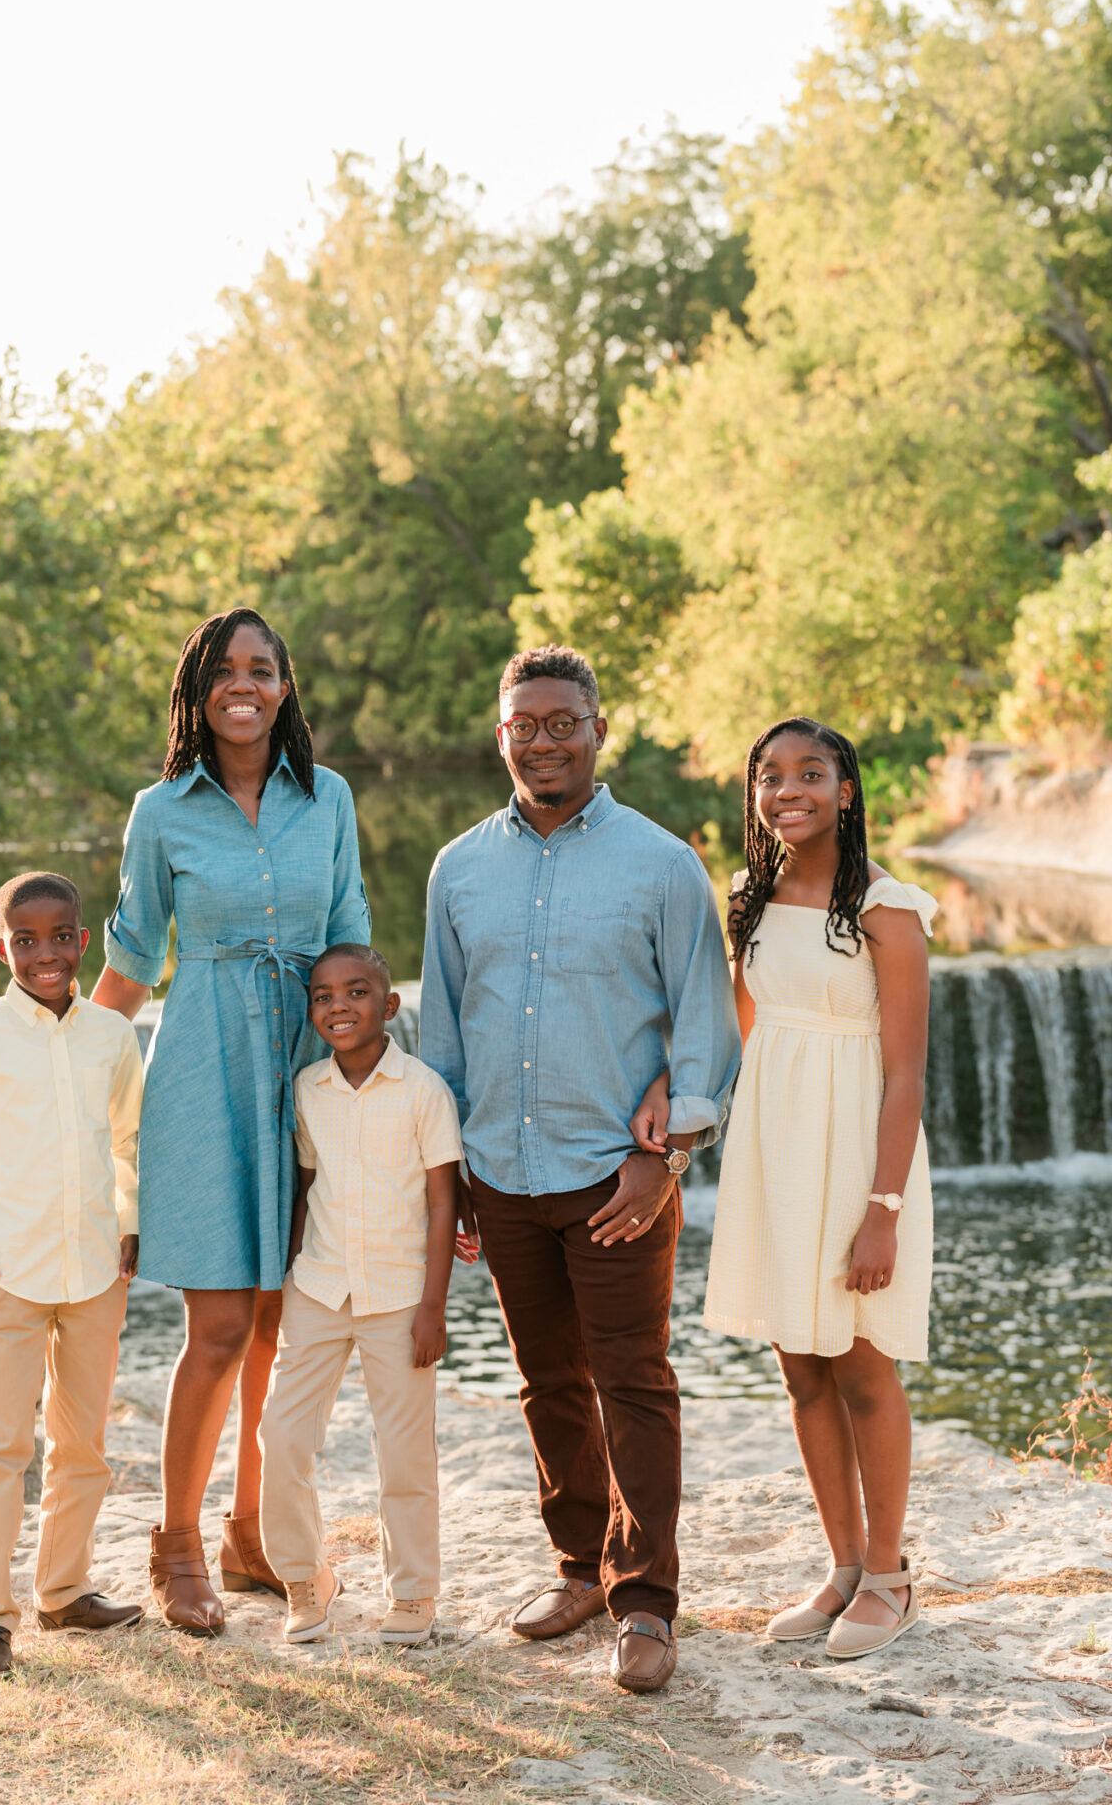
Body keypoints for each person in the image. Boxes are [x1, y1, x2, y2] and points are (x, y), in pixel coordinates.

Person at [417, 645, 741, 1695]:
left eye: (565, 722)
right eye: (526, 724)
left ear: (599, 731)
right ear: (499, 733)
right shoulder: (458, 868)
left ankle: (645, 1600)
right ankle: (578, 1570)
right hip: (502, 1173)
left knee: (634, 1380)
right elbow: (445, 1035)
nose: (544, 740)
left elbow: (701, 1021)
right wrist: (449, 1171)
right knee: (545, 1382)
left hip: (616, 1176)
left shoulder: (659, 863)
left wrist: (670, 1158)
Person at [92, 606, 371, 1635]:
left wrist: (367, 1088)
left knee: (279, 1325)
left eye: (262, 668)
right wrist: (62, 1067)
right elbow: (129, 956)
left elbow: (350, 939)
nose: (242, 684)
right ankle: (174, 1544)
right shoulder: (161, 811)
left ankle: (253, 1536)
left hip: (307, 1068)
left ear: (285, 688)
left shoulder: (327, 799)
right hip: (204, 1074)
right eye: (223, 670)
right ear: (197, 692)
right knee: (215, 1326)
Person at [692, 717, 935, 1660]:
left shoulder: (886, 907)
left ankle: (890, 1577)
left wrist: (883, 1213)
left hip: (857, 1151)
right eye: (770, 776)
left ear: (845, 787)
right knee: (800, 1363)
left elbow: (907, 1073)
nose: (788, 789)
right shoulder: (749, 898)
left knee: (862, 1364)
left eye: (810, 773)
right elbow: (744, 1032)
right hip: (775, 1147)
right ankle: (839, 1570)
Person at [0, 871, 146, 1679]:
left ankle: (65, 1590)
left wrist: (132, 1224)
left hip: (94, 1273)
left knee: (83, 1445)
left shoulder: (111, 1036)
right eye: (26, 940)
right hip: (7, 1270)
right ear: (1, 947)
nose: (46, 953)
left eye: (60, 937)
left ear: (84, 941)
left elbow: (128, 1143)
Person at [257, 943, 464, 1647]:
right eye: (322, 996)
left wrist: (433, 1307)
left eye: (356, 993)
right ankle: (304, 1578)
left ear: (390, 1005)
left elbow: (443, 1204)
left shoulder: (423, 1090)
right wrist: (281, 1276)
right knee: (281, 1437)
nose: (338, 1006)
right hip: (317, 1286)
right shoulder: (308, 1088)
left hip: (400, 1294)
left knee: (404, 1454)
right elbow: (307, 1188)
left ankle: (412, 1593)